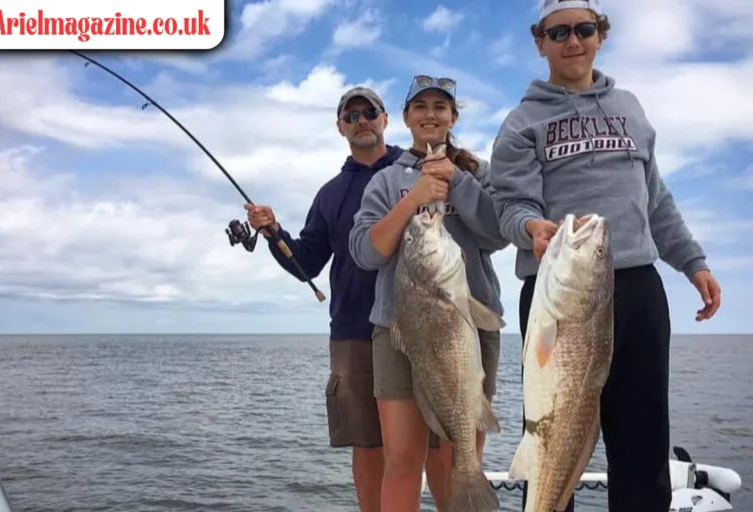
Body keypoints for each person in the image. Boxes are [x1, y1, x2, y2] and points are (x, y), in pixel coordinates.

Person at [488, 1, 723, 511]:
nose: (573, 40)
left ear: (600, 35)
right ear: (540, 42)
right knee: (553, 434)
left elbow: (655, 199)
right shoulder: (522, 122)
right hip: (558, 294)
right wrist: (530, 227)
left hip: (637, 288)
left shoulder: (631, 108)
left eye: (584, 29)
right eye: (559, 32)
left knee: (640, 445)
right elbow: (509, 202)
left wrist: (693, 262)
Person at [244, 87, 451, 512]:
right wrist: (274, 234)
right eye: (351, 115)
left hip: (428, 323)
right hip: (355, 330)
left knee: (441, 441)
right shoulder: (330, 194)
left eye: (369, 112)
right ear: (340, 127)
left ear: (386, 118)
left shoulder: (420, 170)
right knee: (368, 443)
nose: (361, 120)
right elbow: (306, 263)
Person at [348, 75, 509, 512]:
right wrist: (413, 198)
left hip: (469, 328)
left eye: (440, 107)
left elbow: (498, 234)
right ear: (405, 118)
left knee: (461, 455)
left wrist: (457, 181)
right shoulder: (383, 182)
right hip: (400, 331)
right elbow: (366, 252)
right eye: (420, 107)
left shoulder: (478, 172)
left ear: (453, 116)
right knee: (402, 458)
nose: (430, 114)